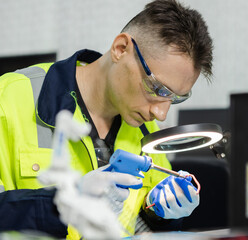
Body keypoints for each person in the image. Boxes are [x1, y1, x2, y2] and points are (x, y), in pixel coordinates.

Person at [0, 0, 213, 239]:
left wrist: (156, 213)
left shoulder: (146, 130)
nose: (161, 113)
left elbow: (143, 228)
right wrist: (62, 205)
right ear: (121, 48)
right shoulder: (8, 98)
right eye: (158, 89)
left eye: (175, 98)